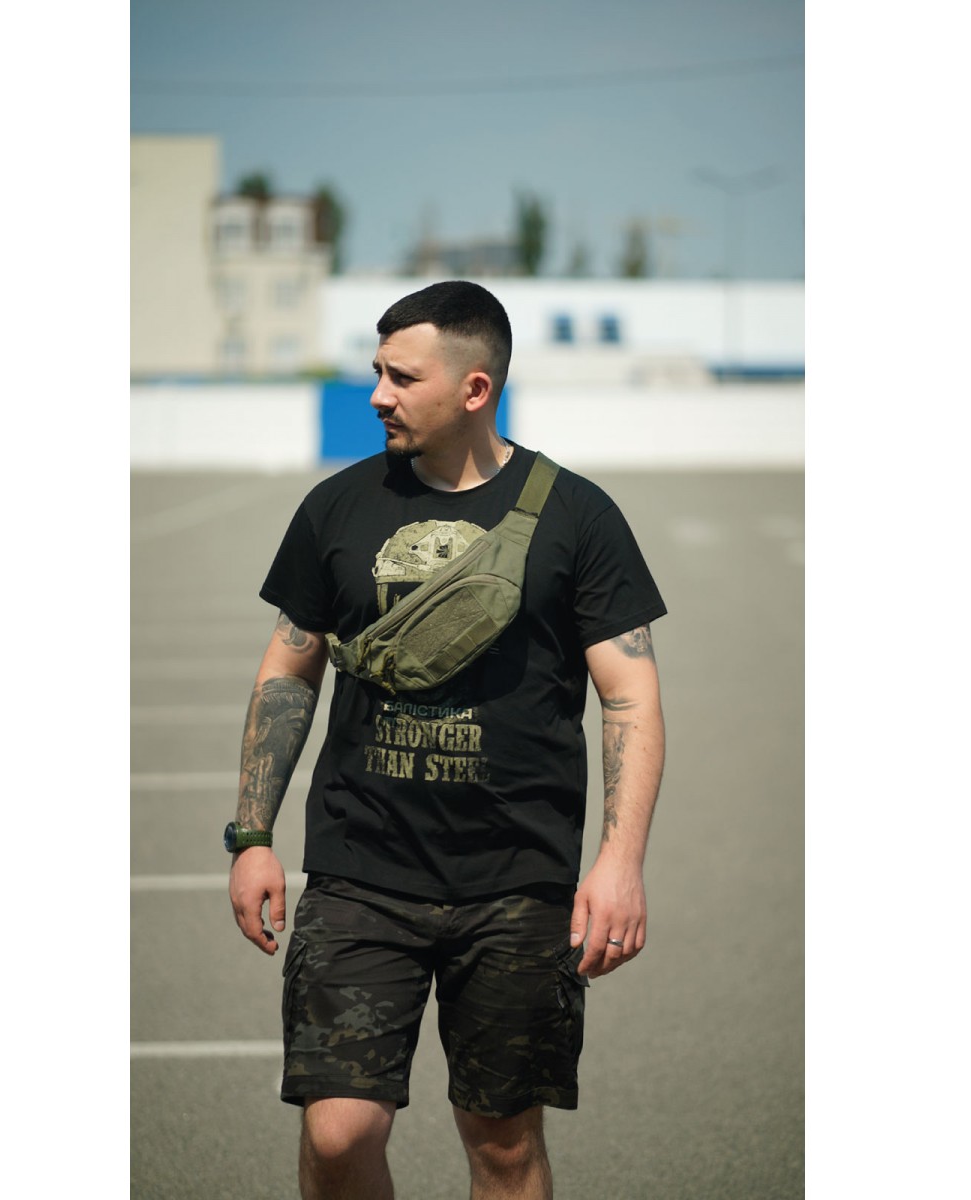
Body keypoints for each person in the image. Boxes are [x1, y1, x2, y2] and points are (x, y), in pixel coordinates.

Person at [228, 280, 666, 1200]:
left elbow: (629, 696)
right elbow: (289, 669)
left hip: (518, 881)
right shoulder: (338, 507)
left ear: (475, 389)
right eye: (376, 372)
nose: (377, 394)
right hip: (360, 873)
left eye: (402, 376)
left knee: (502, 1145)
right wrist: (253, 834)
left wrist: (619, 862)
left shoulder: (577, 516)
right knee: (338, 1132)